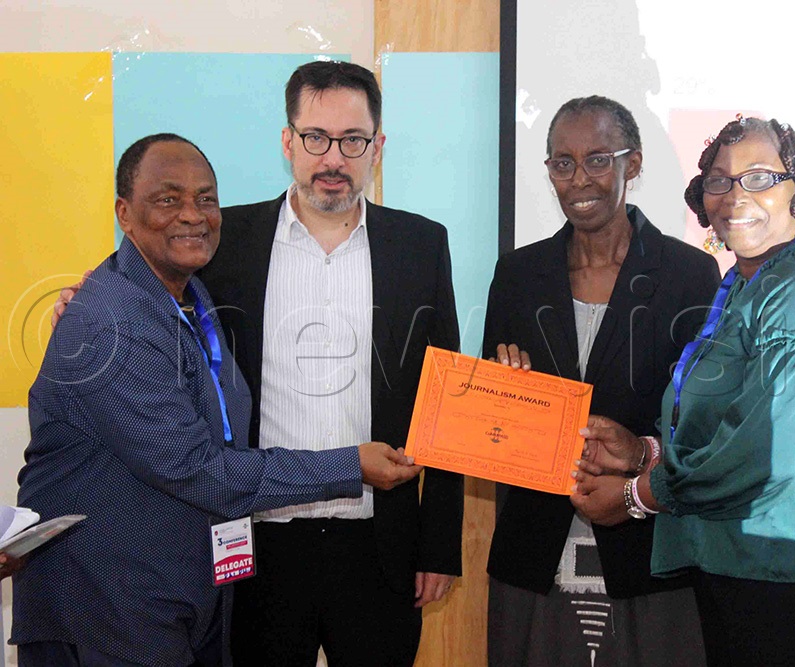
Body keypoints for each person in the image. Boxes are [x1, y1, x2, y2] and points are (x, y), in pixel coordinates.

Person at [51, 61, 464, 666]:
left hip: (381, 544)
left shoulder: (422, 244)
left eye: (352, 141)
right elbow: (147, 279)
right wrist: (85, 296)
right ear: (287, 142)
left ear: (377, 146)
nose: (333, 158)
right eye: (315, 138)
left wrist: (439, 547)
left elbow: (441, 400)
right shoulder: (225, 237)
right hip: (253, 537)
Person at [571, 117, 795, 667]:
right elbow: (729, 426)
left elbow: (767, 453)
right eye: (719, 180)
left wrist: (637, 496)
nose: (736, 194)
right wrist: (645, 450)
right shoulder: (744, 285)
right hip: (741, 561)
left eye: (759, 177)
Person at [483, 96, 720, 666]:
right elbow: (489, 421)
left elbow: (705, 428)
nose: (578, 178)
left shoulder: (690, 275)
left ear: (632, 164)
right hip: (533, 560)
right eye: (561, 163)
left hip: (648, 558)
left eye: (597, 159)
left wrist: (638, 465)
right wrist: (505, 395)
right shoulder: (517, 275)